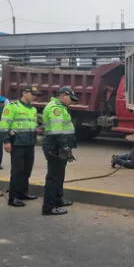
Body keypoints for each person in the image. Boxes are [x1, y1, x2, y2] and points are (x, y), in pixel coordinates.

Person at [0, 86, 41, 207]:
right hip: (17, 143)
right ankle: (13, 198)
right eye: (32, 94)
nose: (34, 97)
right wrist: (6, 141)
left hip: (29, 143)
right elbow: (4, 124)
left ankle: (23, 193)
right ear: (24, 93)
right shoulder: (12, 106)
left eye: (36, 95)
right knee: (17, 171)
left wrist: (36, 130)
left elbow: (30, 124)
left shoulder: (33, 109)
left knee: (27, 170)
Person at [42, 86, 79, 216]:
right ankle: (48, 207)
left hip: (59, 146)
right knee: (54, 177)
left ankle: (58, 200)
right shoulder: (55, 108)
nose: (71, 102)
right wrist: (65, 147)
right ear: (63, 95)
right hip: (55, 146)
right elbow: (57, 131)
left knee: (59, 175)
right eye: (70, 98)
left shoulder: (61, 107)